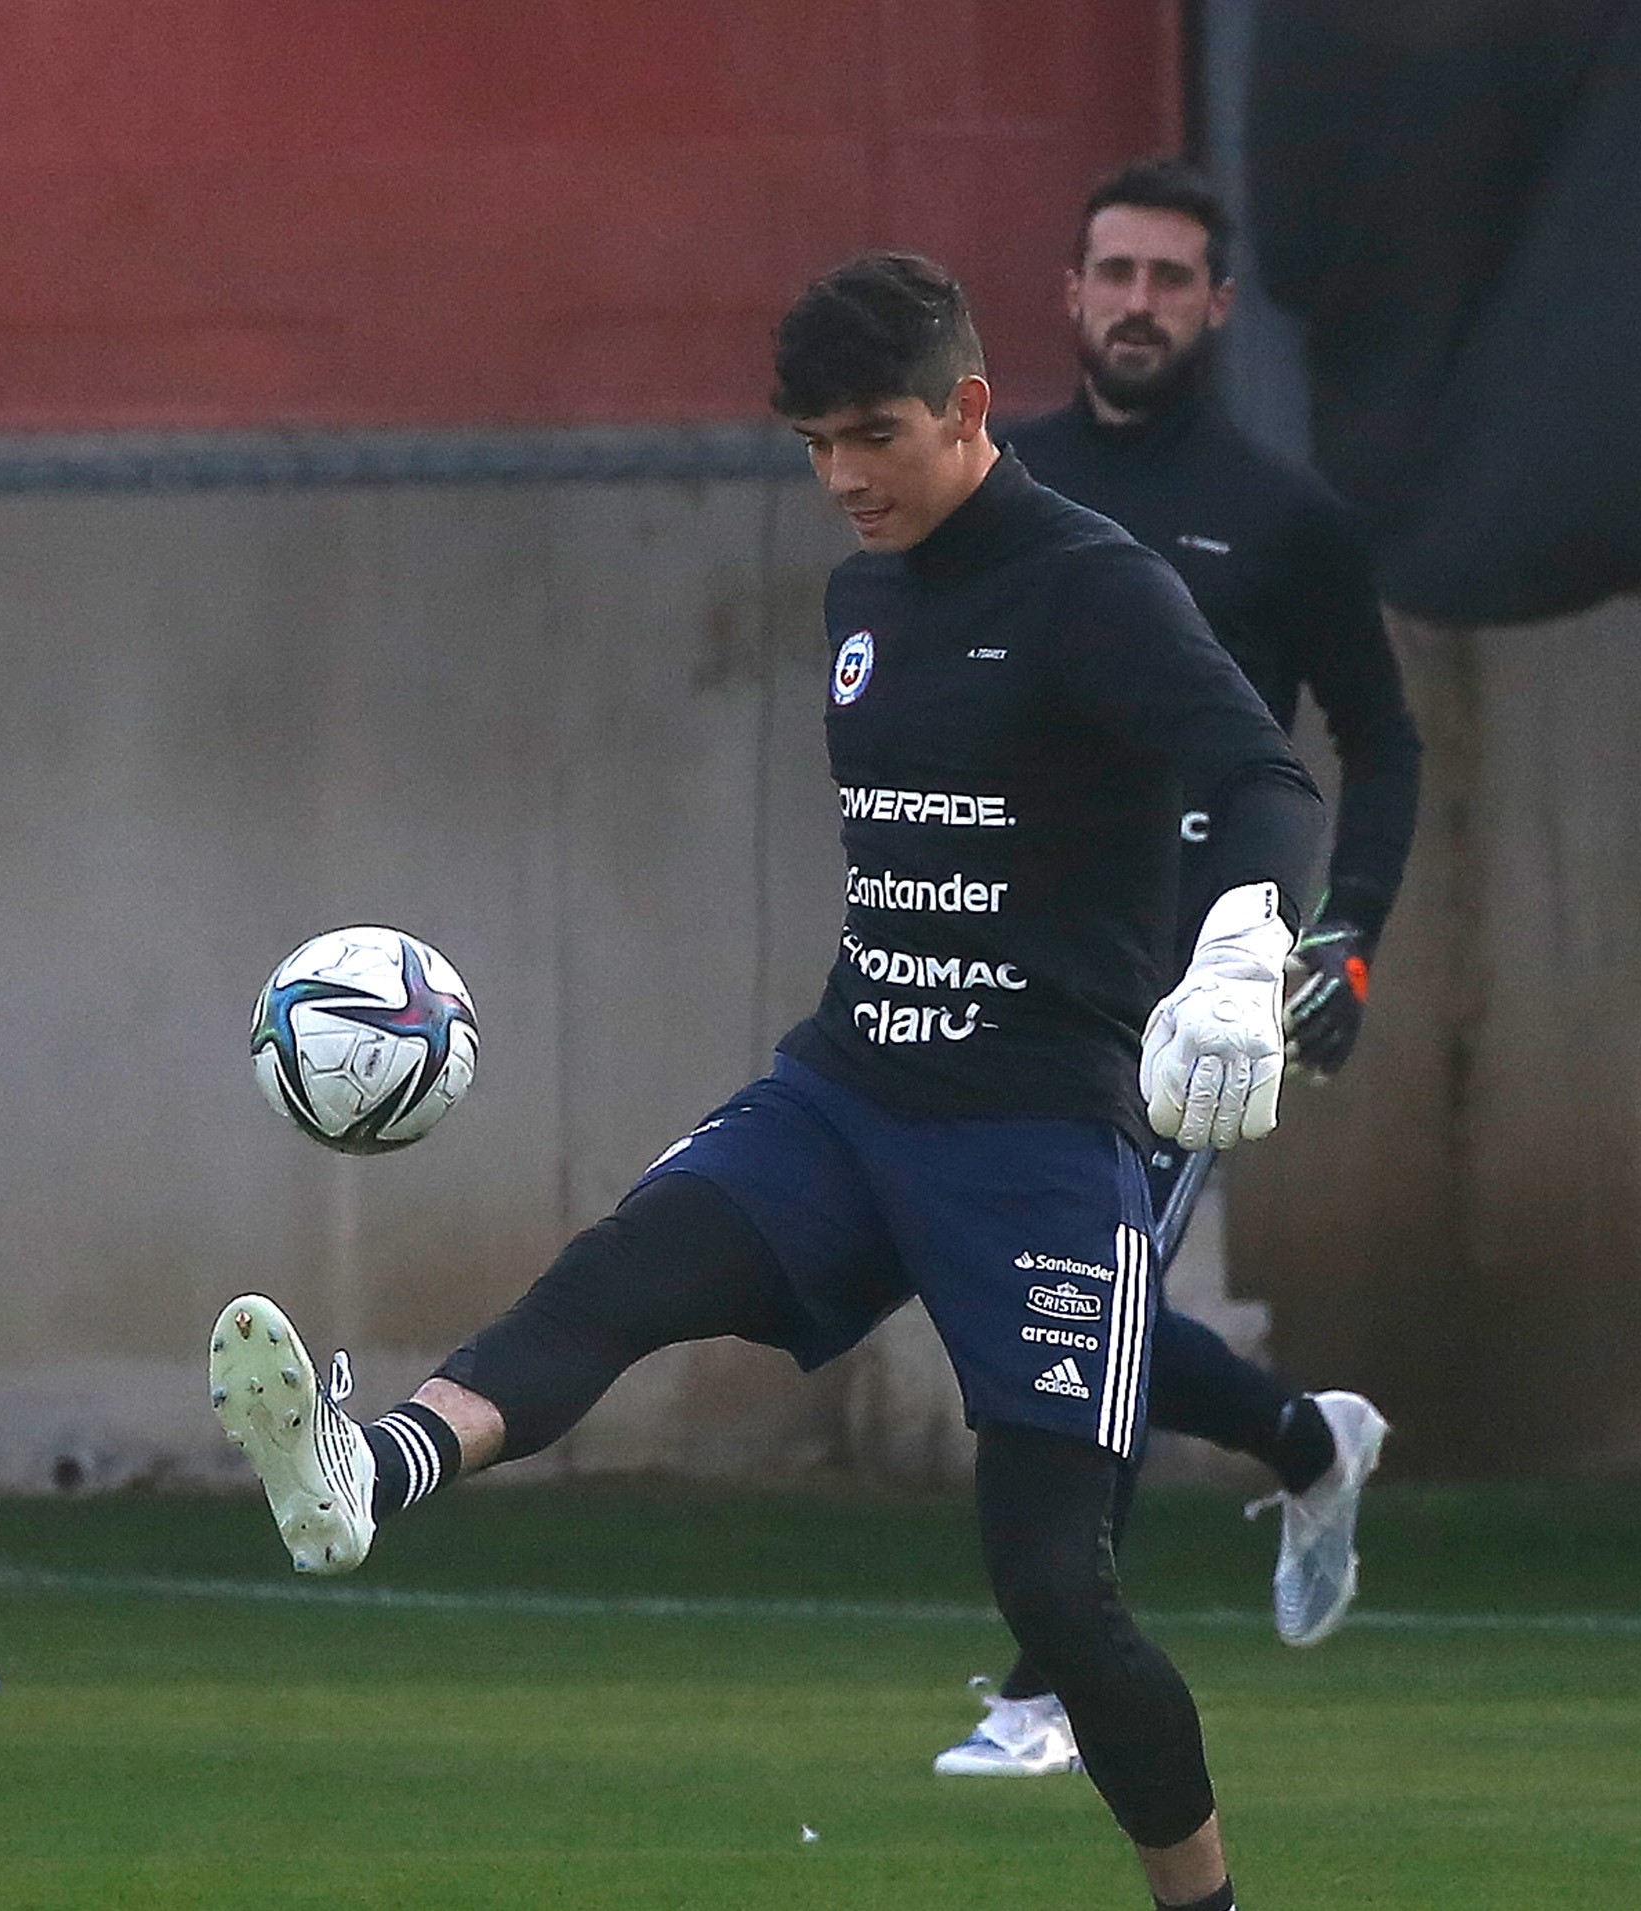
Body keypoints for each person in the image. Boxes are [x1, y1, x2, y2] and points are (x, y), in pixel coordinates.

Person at [209, 251, 1324, 1911]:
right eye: (811, 443)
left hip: (1032, 1137)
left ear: (963, 409)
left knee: (1057, 1600)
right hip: (852, 1088)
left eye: (873, 434)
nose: (844, 479)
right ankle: (372, 1472)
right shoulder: (861, 594)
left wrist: (1244, 944)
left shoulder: (1095, 588)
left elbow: (1266, 778)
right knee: (618, 1275)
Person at [932, 158, 1425, 1781]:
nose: (1138, 302)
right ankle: (1304, 1440)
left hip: (1202, 978)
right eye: (1113, 273)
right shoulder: (998, 486)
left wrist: (1339, 933)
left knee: (1092, 1294)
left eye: (1171, 278)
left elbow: (1382, 739)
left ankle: (1052, 1678)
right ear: (1068, 298)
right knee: (1060, 1293)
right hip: (1013, 959)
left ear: (1216, 306)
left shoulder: (1284, 519)